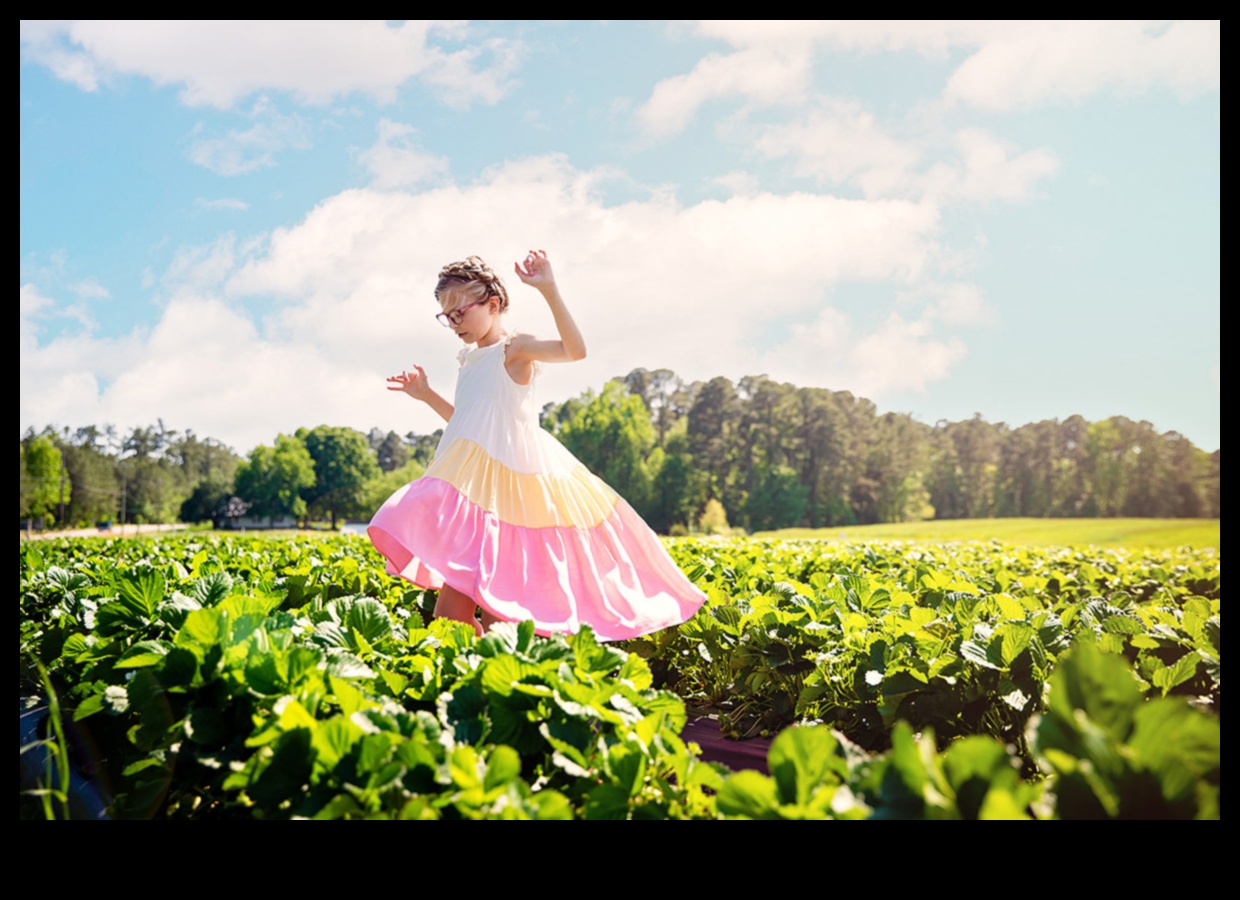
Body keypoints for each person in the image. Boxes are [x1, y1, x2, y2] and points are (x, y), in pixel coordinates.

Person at [367, 250, 706, 640]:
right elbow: (470, 424)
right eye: (447, 316)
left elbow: (575, 350)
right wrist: (427, 396)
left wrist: (549, 289)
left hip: (514, 500)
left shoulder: (516, 349)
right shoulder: (469, 361)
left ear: (492, 304)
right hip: (478, 501)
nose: (453, 324)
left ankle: (510, 681)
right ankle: (481, 680)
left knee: (497, 621)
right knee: (452, 618)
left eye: (460, 312)